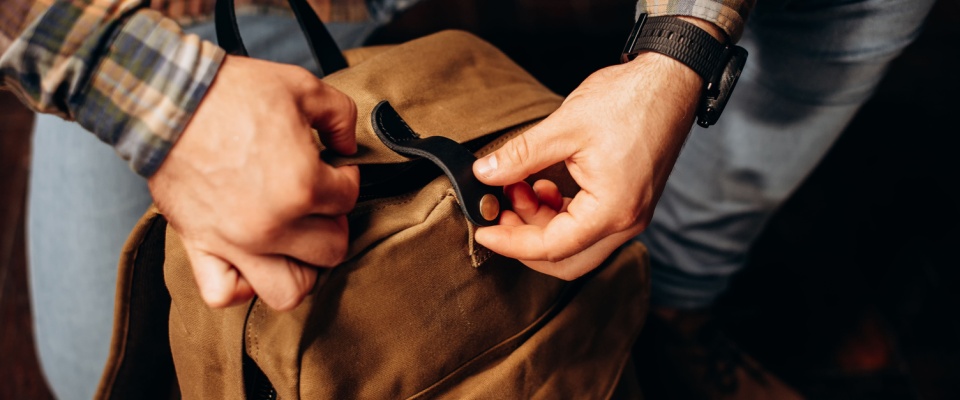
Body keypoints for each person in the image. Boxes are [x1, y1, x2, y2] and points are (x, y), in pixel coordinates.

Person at [0, 0, 936, 398]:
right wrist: (159, 104)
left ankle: (670, 297)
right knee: (98, 363)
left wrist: (682, 47)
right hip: (162, 19)